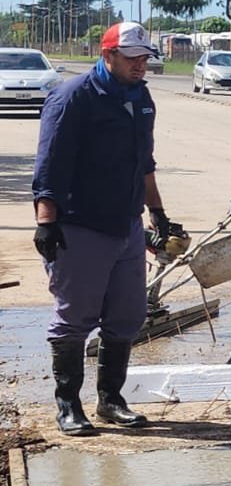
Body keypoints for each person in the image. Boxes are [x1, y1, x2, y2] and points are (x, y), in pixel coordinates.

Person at [32, 22, 171, 435]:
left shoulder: (141, 98)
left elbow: (144, 162)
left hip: (126, 223)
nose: (140, 66)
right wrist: (46, 222)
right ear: (108, 55)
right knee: (75, 316)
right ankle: (68, 406)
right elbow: (50, 164)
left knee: (127, 314)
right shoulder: (73, 98)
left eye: (145, 58)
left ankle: (110, 400)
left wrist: (157, 211)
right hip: (81, 224)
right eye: (132, 59)